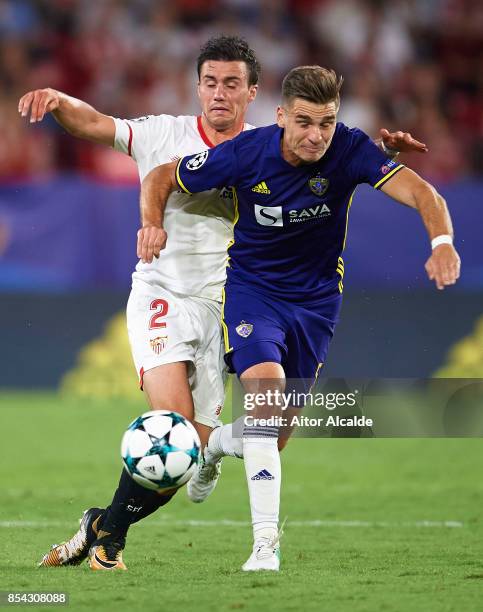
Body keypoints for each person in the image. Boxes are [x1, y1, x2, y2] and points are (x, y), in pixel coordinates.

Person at [19, 35, 427, 571]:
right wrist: (58, 100)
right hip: (163, 293)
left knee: (215, 450)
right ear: (198, 87)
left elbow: (333, 167)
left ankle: (104, 525)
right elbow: (95, 122)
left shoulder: (271, 145)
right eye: (210, 82)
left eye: (232, 83)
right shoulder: (160, 133)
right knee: (173, 428)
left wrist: (381, 156)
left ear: (252, 92)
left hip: (227, 302)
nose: (219, 93)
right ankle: (116, 538)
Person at [138, 65, 461, 572]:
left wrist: (441, 243)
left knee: (273, 435)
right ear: (283, 115)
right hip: (253, 295)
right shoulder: (246, 152)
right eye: (306, 122)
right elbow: (162, 176)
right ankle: (266, 545)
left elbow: (426, 194)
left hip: (315, 306)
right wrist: (152, 224)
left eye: (326, 123)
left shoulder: (351, 150)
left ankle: (216, 446)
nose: (316, 135)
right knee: (266, 397)